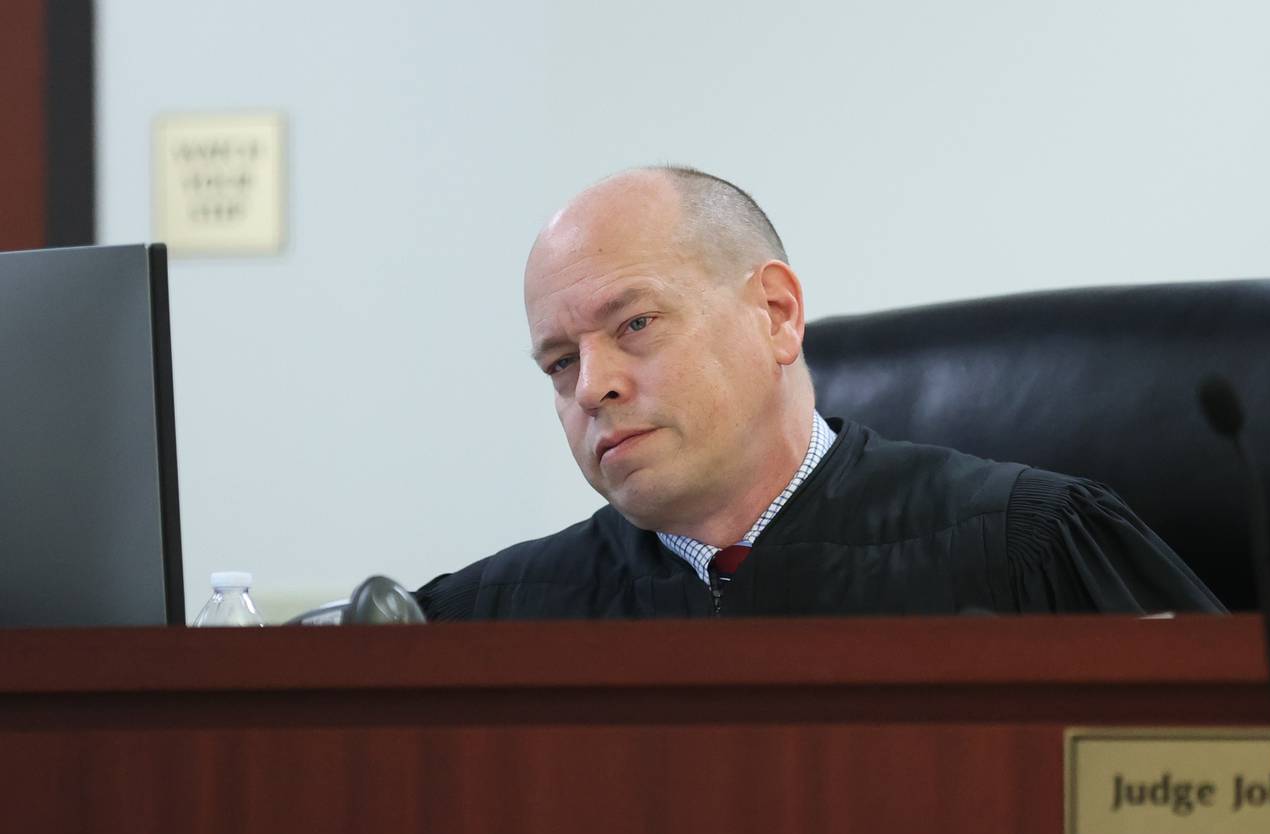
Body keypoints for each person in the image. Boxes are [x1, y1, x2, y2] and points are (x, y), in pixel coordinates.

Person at [415, 166, 1222, 618]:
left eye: (633, 326)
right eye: (559, 362)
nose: (592, 387)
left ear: (776, 314)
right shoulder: (494, 619)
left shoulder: (1026, 550)